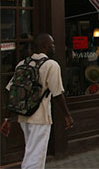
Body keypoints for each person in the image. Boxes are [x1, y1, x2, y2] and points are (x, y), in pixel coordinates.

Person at [1, 34, 74, 169]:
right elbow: (58, 94)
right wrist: (67, 116)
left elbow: (10, 91)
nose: (54, 47)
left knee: (30, 151)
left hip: (23, 116)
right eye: (52, 44)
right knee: (36, 155)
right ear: (45, 46)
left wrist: (7, 118)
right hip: (40, 117)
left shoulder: (22, 64)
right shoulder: (51, 65)